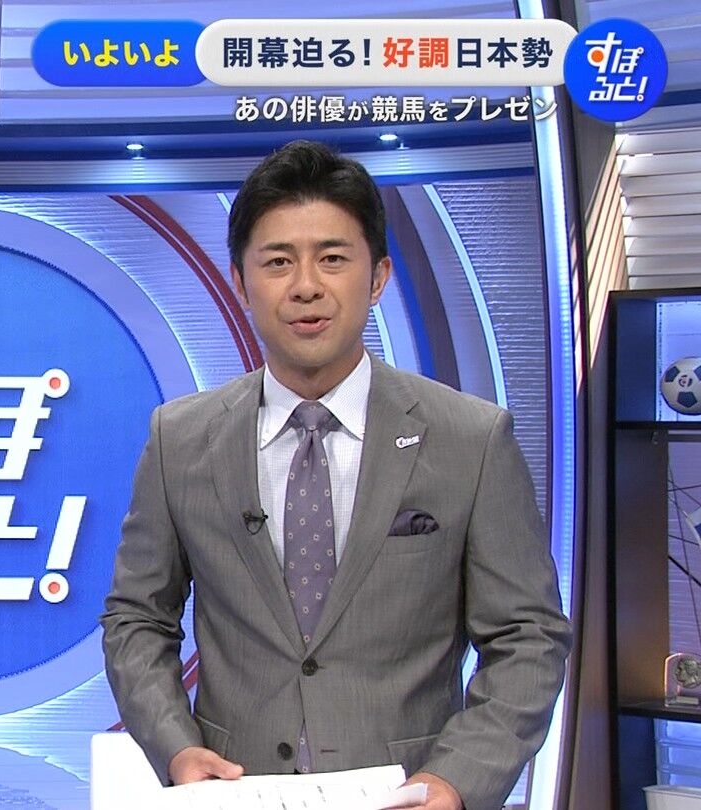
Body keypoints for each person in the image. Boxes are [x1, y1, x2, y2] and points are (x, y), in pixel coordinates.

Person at [100, 140, 571, 810]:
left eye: (332, 258)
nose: (306, 286)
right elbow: (136, 617)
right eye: (278, 261)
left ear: (377, 277)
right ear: (240, 282)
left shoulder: (471, 439)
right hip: (236, 792)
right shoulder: (180, 439)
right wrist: (175, 746)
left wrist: (457, 779)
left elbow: (528, 637)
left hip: (407, 793)